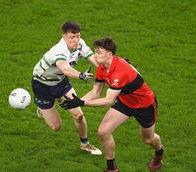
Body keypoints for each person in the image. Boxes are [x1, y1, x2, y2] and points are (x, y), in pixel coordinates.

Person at [60, 37, 164, 171]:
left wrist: (81, 102)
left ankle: (159, 154)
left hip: (144, 105)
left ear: (109, 54)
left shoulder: (120, 71)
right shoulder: (102, 68)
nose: (95, 56)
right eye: (95, 52)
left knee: (148, 139)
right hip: (125, 101)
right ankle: (112, 168)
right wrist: (75, 102)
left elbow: (108, 101)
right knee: (103, 131)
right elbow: (96, 91)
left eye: (99, 53)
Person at [31, 20, 102, 155]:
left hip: (61, 84)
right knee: (56, 127)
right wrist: (81, 75)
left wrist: (114, 66)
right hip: (42, 86)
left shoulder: (80, 44)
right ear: (64, 36)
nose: (76, 40)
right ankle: (42, 108)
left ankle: (85, 144)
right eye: (72, 37)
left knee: (79, 115)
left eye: (78, 36)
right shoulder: (59, 50)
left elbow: (96, 61)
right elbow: (64, 68)